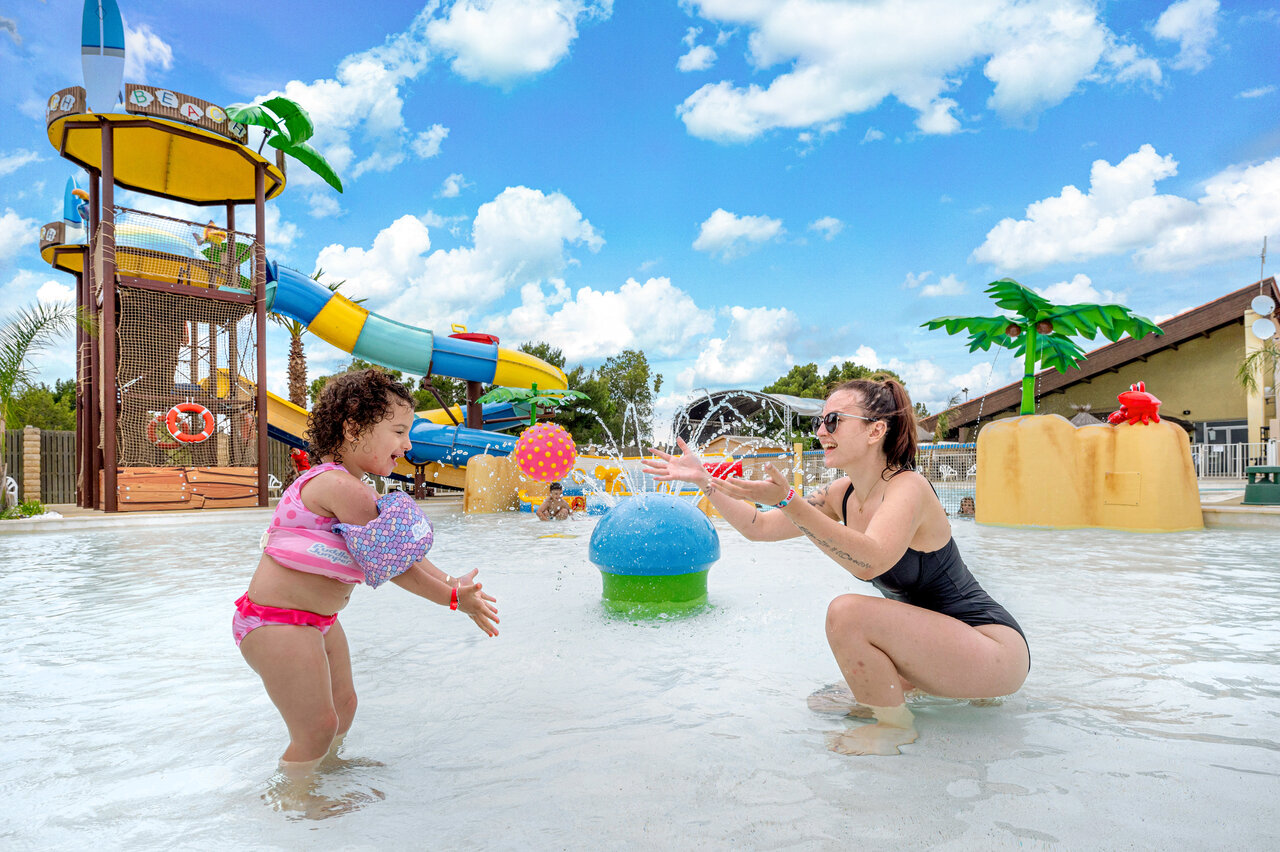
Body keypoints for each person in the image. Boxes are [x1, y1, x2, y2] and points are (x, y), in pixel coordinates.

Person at [643, 378, 1028, 756]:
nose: (822, 432)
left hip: (992, 649)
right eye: (819, 422)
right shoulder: (840, 493)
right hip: (945, 644)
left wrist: (789, 501)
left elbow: (871, 559)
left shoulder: (908, 487)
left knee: (847, 614)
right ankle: (914, 694)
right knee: (829, 701)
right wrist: (704, 481)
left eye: (834, 421)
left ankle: (893, 729)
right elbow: (758, 527)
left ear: (876, 430)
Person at [235, 369, 500, 791]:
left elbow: (408, 555)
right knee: (317, 726)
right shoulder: (342, 488)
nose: (408, 444)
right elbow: (392, 566)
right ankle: (294, 800)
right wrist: (454, 599)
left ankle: (324, 770)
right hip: (277, 624)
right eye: (398, 431)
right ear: (354, 427)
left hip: (316, 622)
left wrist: (453, 582)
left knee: (344, 705)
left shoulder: (354, 488)